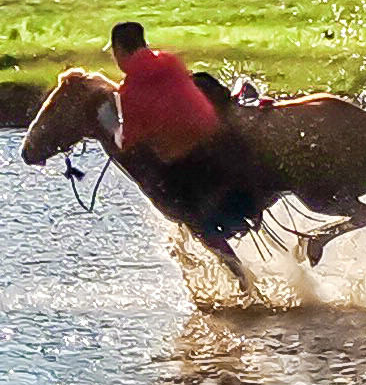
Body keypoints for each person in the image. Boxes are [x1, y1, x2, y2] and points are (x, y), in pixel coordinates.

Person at [108, 18, 278, 245]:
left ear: (119, 50)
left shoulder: (129, 91)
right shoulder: (170, 61)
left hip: (190, 162)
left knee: (186, 212)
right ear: (143, 43)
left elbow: (130, 140)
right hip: (218, 141)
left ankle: (232, 260)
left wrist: (113, 131)